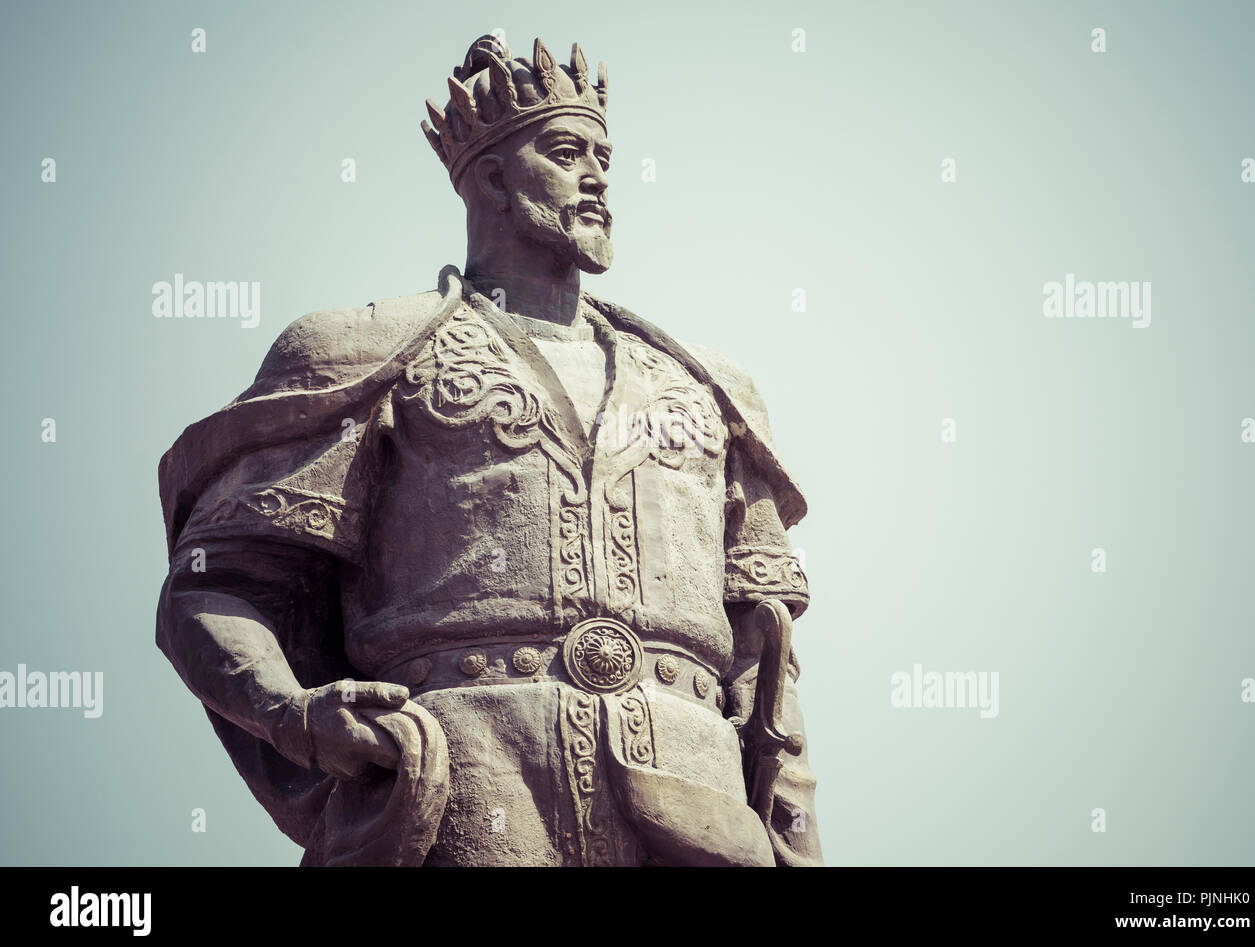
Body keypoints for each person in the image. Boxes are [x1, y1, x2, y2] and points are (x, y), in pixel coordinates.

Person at [155, 34, 822, 866]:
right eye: (567, 151)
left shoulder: (708, 390)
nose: (598, 176)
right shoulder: (370, 356)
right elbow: (216, 584)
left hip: (702, 811)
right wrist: (295, 713)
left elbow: (767, 659)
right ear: (493, 177)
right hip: (463, 792)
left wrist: (793, 837)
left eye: (604, 156)